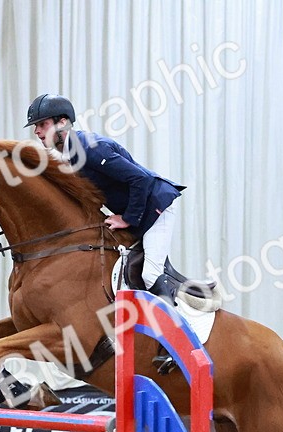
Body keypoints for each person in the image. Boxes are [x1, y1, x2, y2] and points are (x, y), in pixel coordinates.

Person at [24, 93, 187, 301]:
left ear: (62, 122)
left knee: (149, 275)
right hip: (138, 207)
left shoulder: (90, 148)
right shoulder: (66, 154)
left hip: (157, 205)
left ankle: (175, 328)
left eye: (42, 124)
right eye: (35, 126)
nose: (37, 131)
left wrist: (127, 218)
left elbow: (141, 179)